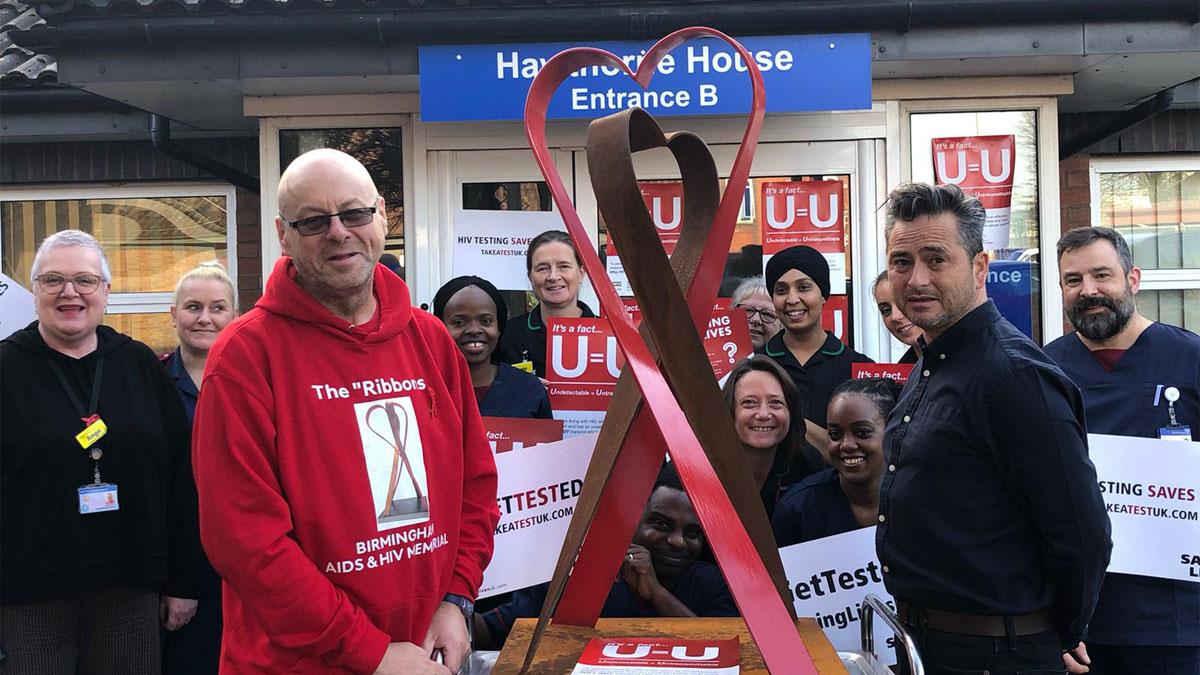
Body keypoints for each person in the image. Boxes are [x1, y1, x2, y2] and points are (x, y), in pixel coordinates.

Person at [191, 149, 499, 675]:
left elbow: (475, 483)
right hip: (298, 663)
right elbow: (246, 541)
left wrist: (458, 598)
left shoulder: (429, 340)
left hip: (424, 651)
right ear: (283, 234)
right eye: (313, 221)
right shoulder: (245, 357)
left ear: (381, 215)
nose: (338, 232)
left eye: (354, 214)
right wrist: (368, 651)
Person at [877, 182, 1111, 675]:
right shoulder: (933, 360)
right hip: (928, 646)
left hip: (993, 656)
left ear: (979, 267)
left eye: (936, 259)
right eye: (902, 261)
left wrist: (1056, 634)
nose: (916, 278)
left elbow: (1081, 534)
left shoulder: (1015, 377)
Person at [1, 230, 201, 674]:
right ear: (34, 293)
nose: (69, 292)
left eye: (85, 280)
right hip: (29, 594)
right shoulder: (6, 368)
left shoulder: (140, 365)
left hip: (129, 584)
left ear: (106, 292)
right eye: (53, 280)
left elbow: (180, 480)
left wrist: (184, 581)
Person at [1045, 226, 1198, 675]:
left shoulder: (1189, 360)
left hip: (1179, 622)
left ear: (1133, 279)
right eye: (1073, 280)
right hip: (1083, 624)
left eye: (1101, 276)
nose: (1088, 290)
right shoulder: (1043, 370)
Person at [475, 462, 737, 647]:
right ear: (632, 518)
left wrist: (657, 594)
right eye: (661, 525)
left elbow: (728, 653)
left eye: (692, 533)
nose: (677, 541)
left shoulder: (714, 584)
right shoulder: (579, 574)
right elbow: (491, 632)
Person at [159, 260, 236, 675]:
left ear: (234, 315)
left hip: (247, 562)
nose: (204, 318)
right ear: (173, 315)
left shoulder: (256, 380)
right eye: (192, 307)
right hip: (181, 565)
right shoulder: (151, 384)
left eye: (217, 308)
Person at [755, 245, 872, 484]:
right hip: (767, 504)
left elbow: (871, 450)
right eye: (781, 290)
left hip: (841, 502)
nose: (792, 299)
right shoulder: (754, 366)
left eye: (804, 287)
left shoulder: (857, 368)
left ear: (823, 294)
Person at [772, 378, 897, 547]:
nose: (846, 445)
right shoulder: (797, 509)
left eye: (862, 432)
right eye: (835, 435)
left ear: (892, 432)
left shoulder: (924, 502)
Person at [432, 275, 552, 419]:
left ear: (499, 327)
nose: (474, 330)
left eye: (486, 321)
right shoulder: (424, 389)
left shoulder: (529, 389)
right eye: (459, 322)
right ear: (439, 327)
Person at [721, 355, 813, 516]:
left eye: (775, 403)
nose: (763, 414)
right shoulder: (695, 470)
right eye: (749, 402)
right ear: (730, 411)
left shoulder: (807, 466)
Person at [496, 230, 595, 378]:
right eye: (543, 268)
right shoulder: (508, 336)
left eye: (564, 266)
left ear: (581, 273)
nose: (553, 276)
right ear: (530, 277)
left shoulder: (609, 336)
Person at [871, 270, 922, 363]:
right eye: (886, 310)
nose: (895, 316)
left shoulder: (956, 364)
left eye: (903, 303)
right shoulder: (904, 373)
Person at [730, 276, 781, 350]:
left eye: (767, 314)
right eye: (748, 310)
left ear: (781, 325)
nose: (755, 320)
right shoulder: (712, 356)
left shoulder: (790, 360)